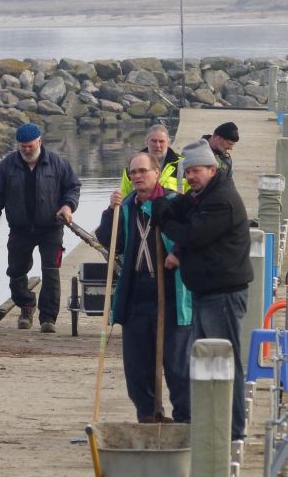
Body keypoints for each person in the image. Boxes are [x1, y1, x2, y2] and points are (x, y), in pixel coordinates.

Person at [151, 138, 253, 440]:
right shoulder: (201, 195)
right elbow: (179, 206)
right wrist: (163, 204)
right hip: (206, 292)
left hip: (224, 293)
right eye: (188, 172)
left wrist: (163, 217)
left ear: (211, 168)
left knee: (224, 362)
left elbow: (191, 234)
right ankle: (211, 424)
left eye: (196, 171)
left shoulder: (221, 200)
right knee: (206, 361)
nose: (190, 177)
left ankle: (234, 431)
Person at [96, 152, 193, 423]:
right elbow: (108, 240)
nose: (137, 176)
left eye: (143, 171)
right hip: (138, 291)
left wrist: (179, 254)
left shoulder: (175, 203)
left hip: (171, 293)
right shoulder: (126, 207)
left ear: (156, 173)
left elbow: (193, 236)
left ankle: (185, 419)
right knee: (137, 365)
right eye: (133, 173)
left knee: (176, 363)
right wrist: (110, 211)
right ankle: (148, 416)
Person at [0, 123, 81, 333]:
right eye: (22, 146)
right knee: (16, 271)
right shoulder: (8, 165)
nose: (26, 150)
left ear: (40, 141)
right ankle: (26, 306)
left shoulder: (57, 163)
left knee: (51, 271)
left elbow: (72, 187)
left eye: (30, 146)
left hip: (51, 228)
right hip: (20, 229)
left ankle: (48, 318)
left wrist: (67, 205)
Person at [120, 124, 184, 195]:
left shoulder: (184, 166)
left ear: (169, 143)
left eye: (161, 141)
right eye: (154, 141)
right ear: (146, 142)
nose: (157, 145)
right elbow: (124, 200)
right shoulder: (131, 168)